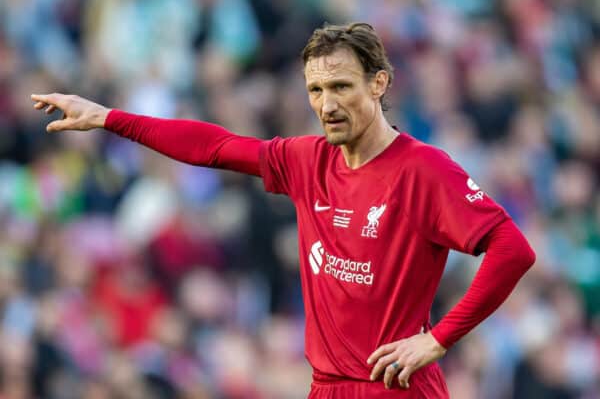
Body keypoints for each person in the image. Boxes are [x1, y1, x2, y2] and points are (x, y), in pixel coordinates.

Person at [32, 22, 535, 398]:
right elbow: (214, 146)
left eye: (341, 86)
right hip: (326, 387)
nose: (327, 104)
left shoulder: (423, 170)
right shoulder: (306, 160)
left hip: (395, 388)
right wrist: (108, 118)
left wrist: (439, 339)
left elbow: (512, 250)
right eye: (316, 90)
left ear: (378, 84)